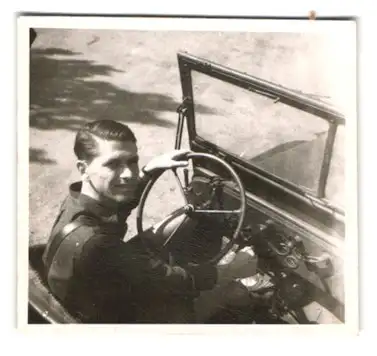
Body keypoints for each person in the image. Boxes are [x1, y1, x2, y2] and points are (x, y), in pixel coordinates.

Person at [42, 119, 272, 323]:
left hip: (95, 289)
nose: (128, 174)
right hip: (119, 317)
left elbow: (117, 209)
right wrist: (229, 270)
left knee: (184, 217)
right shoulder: (97, 244)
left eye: (131, 161)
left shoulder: (77, 203)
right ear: (83, 168)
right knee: (233, 292)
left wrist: (150, 170)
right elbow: (176, 280)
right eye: (113, 164)